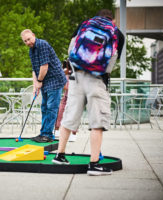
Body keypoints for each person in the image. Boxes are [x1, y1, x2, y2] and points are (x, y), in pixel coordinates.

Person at [52, 9, 125, 176]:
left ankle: (60, 155)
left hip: (76, 77)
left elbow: (71, 49)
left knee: (69, 116)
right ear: (112, 19)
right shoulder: (116, 33)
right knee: (97, 121)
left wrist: (75, 69)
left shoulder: (84, 25)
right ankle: (94, 164)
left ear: (97, 17)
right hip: (97, 80)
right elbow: (112, 60)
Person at [21, 29, 67, 143]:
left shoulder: (42, 44)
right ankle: (43, 133)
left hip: (55, 79)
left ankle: (48, 135)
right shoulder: (31, 51)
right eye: (25, 41)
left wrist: (40, 81)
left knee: (51, 107)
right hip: (45, 80)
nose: (28, 42)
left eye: (29, 39)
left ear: (33, 35)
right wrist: (35, 85)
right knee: (44, 107)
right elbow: (34, 69)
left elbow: (44, 66)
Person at [54, 60, 77, 142]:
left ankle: (73, 133)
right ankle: (57, 129)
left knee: (74, 113)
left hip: (75, 95)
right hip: (67, 95)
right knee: (60, 110)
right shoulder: (65, 72)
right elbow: (64, 87)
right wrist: (65, 74)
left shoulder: (75, 70)